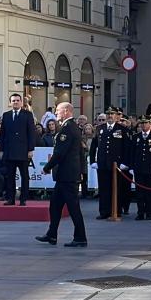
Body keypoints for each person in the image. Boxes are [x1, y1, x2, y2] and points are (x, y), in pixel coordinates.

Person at [35, 102, 87, 247]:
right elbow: (80, 152)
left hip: (67, 175)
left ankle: (80, 237)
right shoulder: (71, 127)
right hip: (66, 175)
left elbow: (60, 153)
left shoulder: (68, 128)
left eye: (58, 110)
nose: (56, 113)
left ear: (66, 111)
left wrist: (47, 167)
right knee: (55, 205)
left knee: (73, 207)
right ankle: (52, 235)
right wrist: (82, 171)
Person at [89, 106, 131, 219]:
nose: (110, 116)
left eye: (112, 114)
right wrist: (93, 161)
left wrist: (125, 162)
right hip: (102, 164)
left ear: (117, 116)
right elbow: (93, 146)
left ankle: (116, 211)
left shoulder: (122, 129)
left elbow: (126, 148)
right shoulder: (99, 128)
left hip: (116, 165)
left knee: (116, 188)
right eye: (108, 114)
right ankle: (104, 211)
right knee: (103, 189)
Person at [0, 93, 36, 206]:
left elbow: (31, 133)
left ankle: (23, 199)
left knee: (25, 176)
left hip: (23, 151)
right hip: (10, 151)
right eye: (13, 100)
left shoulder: (27, 115)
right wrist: (1, 149)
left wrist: (31, 149)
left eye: (17, 100)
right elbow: (2, 134)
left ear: (21, 102)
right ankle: (11, 198)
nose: (15, 102)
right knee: (10, 176)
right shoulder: (6, 115)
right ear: (10, 103)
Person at [131, 116, 151, 220]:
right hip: (139, 168)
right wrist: (131, 166)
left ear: (149, 124)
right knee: (139, 192)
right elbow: (132, 153)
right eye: (142, 123)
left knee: (150, 192)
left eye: (146, 123)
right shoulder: (136, 137)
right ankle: (140, 212)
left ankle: (149, 212)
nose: (143, 125)